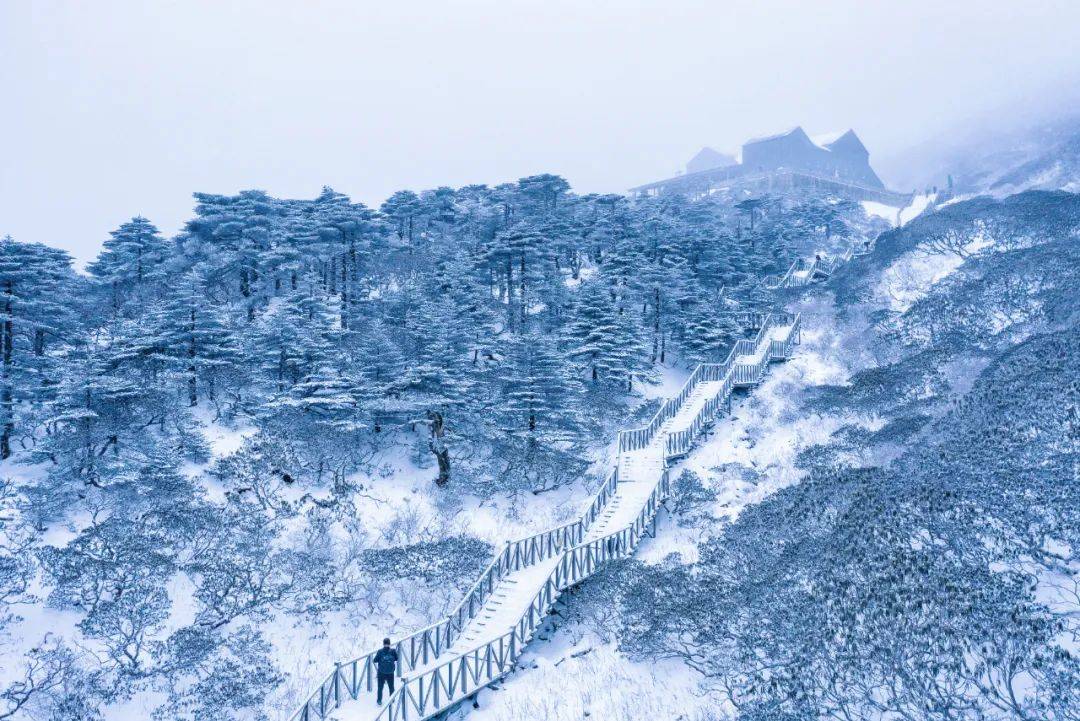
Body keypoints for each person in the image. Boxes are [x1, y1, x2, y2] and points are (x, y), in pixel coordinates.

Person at [374, 638, 398, 705]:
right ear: (389, 644)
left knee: (380, 687)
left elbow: (375, 660)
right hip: (390, 672)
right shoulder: (393, 651)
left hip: (381, 672)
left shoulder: (380, 651)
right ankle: (392, 699)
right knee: (391, 686)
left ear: (383, 643)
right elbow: (397, 658)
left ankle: (379, 701)